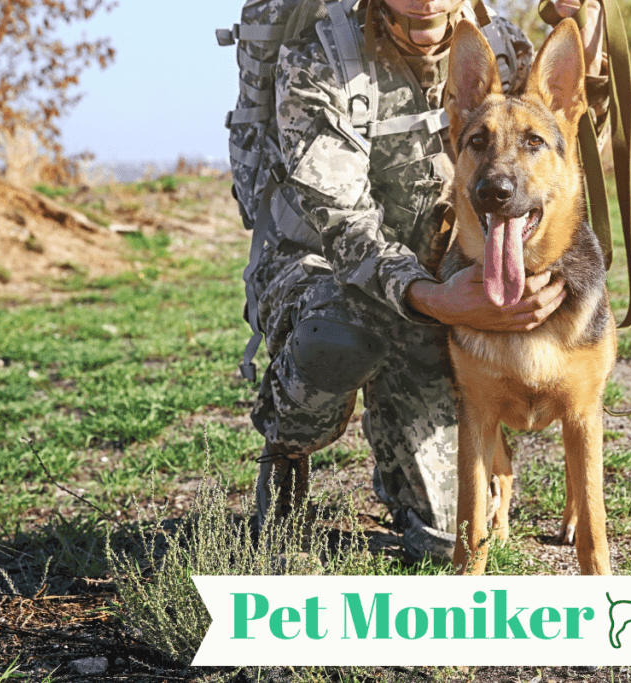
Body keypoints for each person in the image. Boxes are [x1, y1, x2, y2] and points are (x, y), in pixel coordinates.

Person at [249, 0, 608, 562]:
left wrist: (590, 44)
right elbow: (341, 220)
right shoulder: (320, 57)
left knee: (447, 537)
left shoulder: (504, 44)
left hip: (452, 278)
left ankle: (415, 445)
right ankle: (287, 453)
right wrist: (435, 298)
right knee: (336, 340)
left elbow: (558, 142)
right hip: (331, 275)